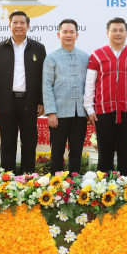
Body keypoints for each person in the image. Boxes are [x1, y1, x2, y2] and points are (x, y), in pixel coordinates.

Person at [84, 17, 127, 177]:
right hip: (103, 111)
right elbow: (90, 84)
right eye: (114, 30)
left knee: (126, 152)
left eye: (121, 30)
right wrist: (89, 108)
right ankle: (104, 190)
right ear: (107, 33)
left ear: (126, 33)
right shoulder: (97, 55)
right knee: (105, 153)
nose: (117, 33)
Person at [0, 11, 46, 174]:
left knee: (29, 143)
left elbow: (43, 77)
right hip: (6, 102)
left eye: (22, 23)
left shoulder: (38, 48)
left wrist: (41, 100)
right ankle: (8, 181)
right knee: (7, 143)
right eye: (15, 22)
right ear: (9, 25)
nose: (18, 25)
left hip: (30, 103)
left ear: (28, 26)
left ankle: (27, 179)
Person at [43, 19, 89, 174]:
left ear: (77, 34)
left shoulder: (85, 57)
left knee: (76, 151)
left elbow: (90, 86)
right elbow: (47, 86)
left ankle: (74, 184)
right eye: (65, 32)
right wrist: (51, 113)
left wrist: (89, 111)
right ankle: (56, 186)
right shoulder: (51, 58)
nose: (68, 35)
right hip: (59, 113)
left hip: (80, 114)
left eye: (71, 32)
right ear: (58, 34)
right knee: (56, 152)